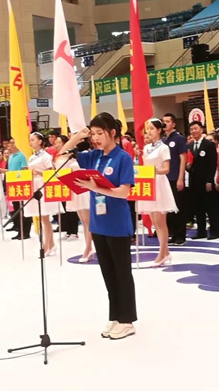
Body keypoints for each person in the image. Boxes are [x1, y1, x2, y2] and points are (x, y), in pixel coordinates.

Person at [63, 113, 137, 340]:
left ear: (112, 133)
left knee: (122, 274)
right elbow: (62, 155)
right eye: (92, 133)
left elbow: (124, 192)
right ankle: (115, 315)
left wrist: (94, 187)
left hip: (117, 224)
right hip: (98, 224)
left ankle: (127, 320)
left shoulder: (122, 157)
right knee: (108, 274)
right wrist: (78, 136)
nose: (94, 138)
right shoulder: (94, 156)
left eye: (99, 133)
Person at [138, 119, 177, 266]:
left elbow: (166, 169)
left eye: (152, 128)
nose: (149, 131)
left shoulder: (164, 148)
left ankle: (162, 254)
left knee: (160, 221)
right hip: (148, 182)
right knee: (154, 220)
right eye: (147, 129)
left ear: (159, 130)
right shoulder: (146, 147)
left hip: (159, 182)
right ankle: (165, 252)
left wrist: (154, 170)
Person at [25, 132, 61, 256]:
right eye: (30, 140)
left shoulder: (46, 156)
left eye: (33, 140)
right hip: (34, 185)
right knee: (41, 217)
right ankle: (51, 245)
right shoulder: (31, 157)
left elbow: (51, 172)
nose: (30, 142)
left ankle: (46, 246)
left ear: (40, 141)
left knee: (45, 217)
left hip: (43, 185)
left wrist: (39, 172)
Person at [186, 121, 219, 240]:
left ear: (201, 130)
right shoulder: (189, 146)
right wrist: (187, 167)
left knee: (211, 207)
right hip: (194, 181)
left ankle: (214, 231)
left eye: (195, 129)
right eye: (191, 129)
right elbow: (187, 163)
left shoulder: (209, 144)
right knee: (198, 207)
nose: (193, 131)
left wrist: (209, 181)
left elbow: (212, 164)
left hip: (206, 181)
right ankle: (201, 231)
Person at [162, 113, 188, 245]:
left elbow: (183, 159)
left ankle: (180, 235)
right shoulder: (163, 140)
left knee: (178, 207)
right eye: (163, 121)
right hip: (164, 178)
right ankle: (172, 233)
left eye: (168, 121)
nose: (165, 123)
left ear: (173, 124)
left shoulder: (179, 138)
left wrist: (180, 178)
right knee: (168, 208)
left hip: (175, 176)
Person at [3, 137, 31, 240]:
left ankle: (26, 232)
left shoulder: (21, 155)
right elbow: (11, 171)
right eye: (9, 144)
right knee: (16, 209)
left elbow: (25, 170)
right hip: (12, 185)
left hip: (21, 184)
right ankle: (19, 230)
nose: (10, 146)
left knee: (23, 209)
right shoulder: (10, 156)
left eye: (12, 143)